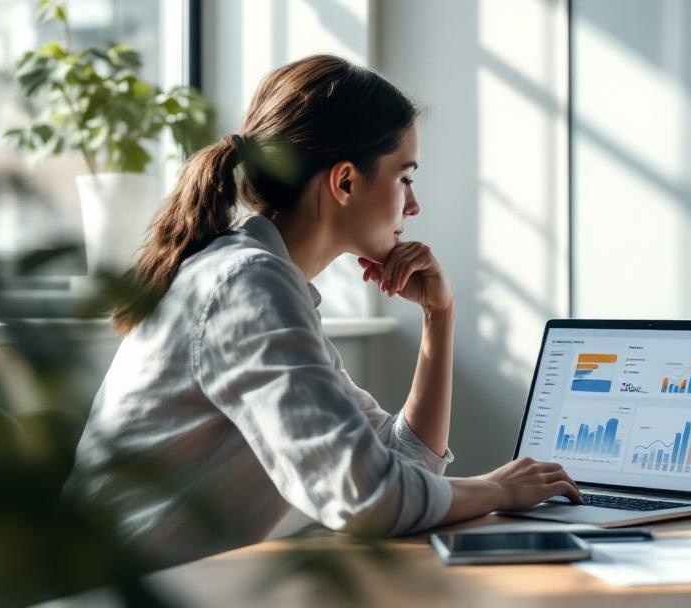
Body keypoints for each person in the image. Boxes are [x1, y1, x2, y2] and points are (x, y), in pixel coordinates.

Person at [64, 54, 581, 568]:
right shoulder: (247, 285)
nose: (413, 205)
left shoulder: (261, 280)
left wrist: (439, 317)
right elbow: (368, 499)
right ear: (345, 182)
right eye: (405, 178)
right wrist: (497, 490)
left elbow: (403, 466)